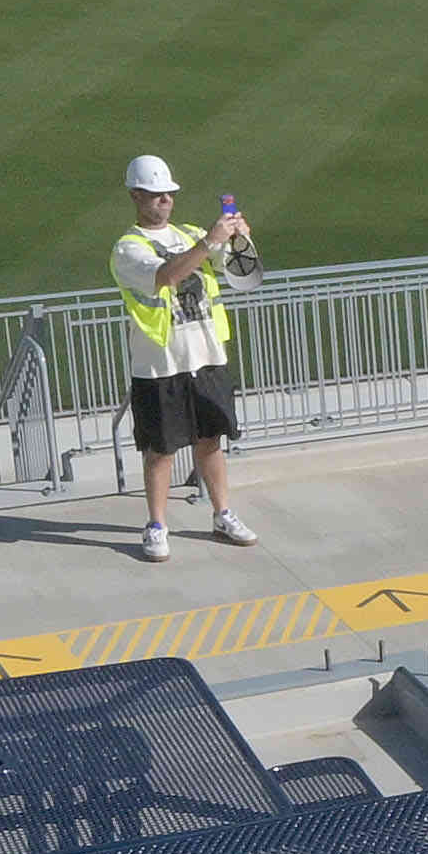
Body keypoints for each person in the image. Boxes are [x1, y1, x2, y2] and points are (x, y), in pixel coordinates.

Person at [109, 150, 255, 559]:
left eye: (168, 194)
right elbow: (167, 277)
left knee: (211, 441)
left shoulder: (190, 231)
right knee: (161, 449)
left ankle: (223, 513)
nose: (165, 201)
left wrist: (239, 236)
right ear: (136, 197)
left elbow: (241, 269)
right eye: (156, 195)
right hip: (159, 365)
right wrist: (210, 241)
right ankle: (156, 525)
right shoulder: (128, 248)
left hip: (205, 357)